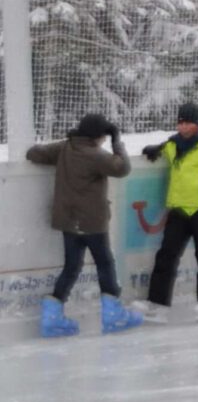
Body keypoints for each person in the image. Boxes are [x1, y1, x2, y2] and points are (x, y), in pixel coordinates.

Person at [29, 114, 138, 337]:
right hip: (91, 222)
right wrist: (117, 142)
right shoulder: (96, 155)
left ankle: (52, 315)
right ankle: (112, 314)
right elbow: (122, 168)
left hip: (69, 222)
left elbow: (34, 154)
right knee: (105, 263)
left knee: (71, 266)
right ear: (98, 136)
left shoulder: (64, 148)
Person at [141, 101, 198, 320]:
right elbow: (167, 145)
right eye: (180, 123)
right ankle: (158, 302)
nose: (183, 127)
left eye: (188, 123)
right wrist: (156, 149)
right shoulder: (173, 145)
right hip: (179, 209)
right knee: (166, 255)